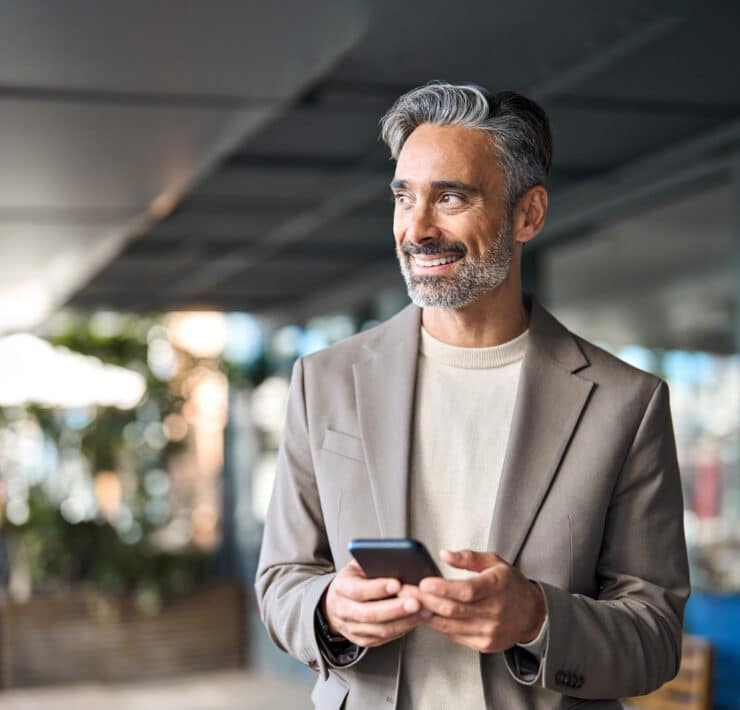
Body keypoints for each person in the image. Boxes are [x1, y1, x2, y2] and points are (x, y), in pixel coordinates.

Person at [255, 82, 689, 710]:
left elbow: (655, 636)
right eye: (404, 197)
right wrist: (327, 609)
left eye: (451, 197)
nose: (417, 228)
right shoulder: (323, 382)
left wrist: (538, 620)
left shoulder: (626, 402)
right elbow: (279, 583)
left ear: (528, 215)